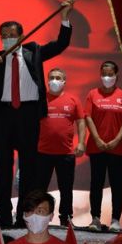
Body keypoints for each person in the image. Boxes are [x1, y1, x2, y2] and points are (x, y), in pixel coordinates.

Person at [0, 0, 74, 228]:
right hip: (3, 116)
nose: (7, 38)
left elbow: (60, 44)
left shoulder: (34, 51)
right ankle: (2, 215)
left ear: (21, 36)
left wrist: (65, 17)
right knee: (2, 168)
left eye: (11, 34)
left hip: (29, 116)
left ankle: (23, 216)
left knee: (28, 168)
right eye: (3, 35)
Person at [84, 61, 122, 232]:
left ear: (116, 75)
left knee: (116, 184)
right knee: (96, 183)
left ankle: (115, 220)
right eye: (104, 74)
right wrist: (97, 139)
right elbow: (88, 117)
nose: (107, 77)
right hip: (96, 146)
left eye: (110, 74)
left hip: (116, 148)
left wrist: (117, 139)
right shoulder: (92, 94)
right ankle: (95, 219)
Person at [35, 67, 85, 227]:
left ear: (64, 81)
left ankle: (66, 218)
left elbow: (81, 122)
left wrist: (81, 142)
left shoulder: (73, 99)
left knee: (66, 188)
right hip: (43, 152)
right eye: (51, 78)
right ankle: (39, 217)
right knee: (40, 188)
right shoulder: (40, 100)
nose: (54, 81)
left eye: (58, 78)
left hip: (66, 153)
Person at [6, 190, 76, 244]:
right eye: (30, 211)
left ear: (51, 216)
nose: (34, 215)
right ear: (24, 215)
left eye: (40, 211)